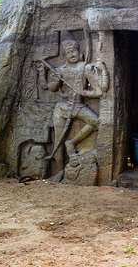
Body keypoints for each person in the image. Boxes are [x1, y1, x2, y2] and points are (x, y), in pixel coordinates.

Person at [35, 31, 109, 176]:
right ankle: (60, 170)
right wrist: (44, 73)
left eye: (74, 50)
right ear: (64, 54)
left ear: (79, 51)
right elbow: (49, 88)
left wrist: (83, 92)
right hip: (63, 108)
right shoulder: (60, 70)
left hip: (79, 106)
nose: (72, 53)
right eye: (68, 52)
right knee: (58, 139)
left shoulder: (85, 68)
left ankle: (72, 143)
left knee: (97, 122)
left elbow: (99, 92)